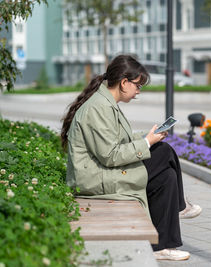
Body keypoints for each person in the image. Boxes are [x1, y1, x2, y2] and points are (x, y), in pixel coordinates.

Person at [60, 55, 201, 261]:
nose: (138, 93)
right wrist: (148, 143)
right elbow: (111, 156)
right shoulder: (98, 107)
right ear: (124, 82)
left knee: (166, 177)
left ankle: (161, 246)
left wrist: (147, 136)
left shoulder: (105, 103)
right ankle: (181, 207)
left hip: (103, 170)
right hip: (93, 178)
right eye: (137, 86)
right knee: (163, 152)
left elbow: (118, 140)